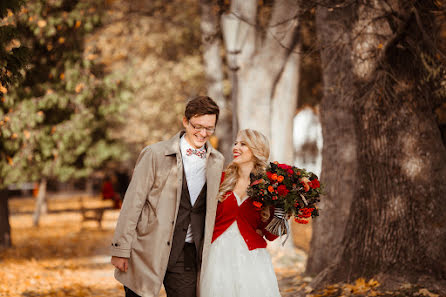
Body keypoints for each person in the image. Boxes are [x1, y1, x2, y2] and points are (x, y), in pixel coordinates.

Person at [110, 96, 225, 297]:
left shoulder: (217, 161)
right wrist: (120, 249)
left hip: (187, 253)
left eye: (209, 128)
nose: (203, 133)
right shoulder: (155, 154)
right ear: (185, 121)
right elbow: (133, 203)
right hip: (148, 248)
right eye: (197, 126)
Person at [200, 129, 281, 297]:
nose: (235, 147)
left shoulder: (268, 187)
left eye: (243, 144)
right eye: (236, 143)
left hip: (252, 259)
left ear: (257, 150)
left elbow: (271, 235)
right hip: (218, 257)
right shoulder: (221, 180)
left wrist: (282, 210)